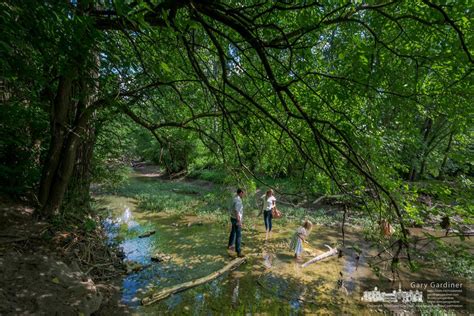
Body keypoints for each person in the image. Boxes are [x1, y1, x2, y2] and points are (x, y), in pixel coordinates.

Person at [228, 188, 245, 257]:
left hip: (232, 218)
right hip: (236, 219)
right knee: (239, 235)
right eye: (243, 193)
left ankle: (230, 245)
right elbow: (237, 211)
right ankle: (238, 251)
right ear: (241, 193)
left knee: (233, 232)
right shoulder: (238, 200)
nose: (244, 194)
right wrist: (239, 221)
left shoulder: (234, 198)